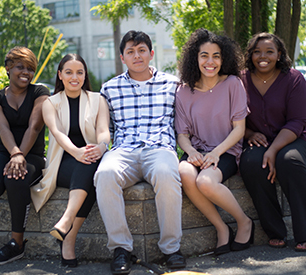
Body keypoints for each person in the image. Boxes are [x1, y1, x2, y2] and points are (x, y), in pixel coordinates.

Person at [94, 30, 186, 275]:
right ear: (122, 57)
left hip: (160, 149)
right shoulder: (110, 88)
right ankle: (121, 249)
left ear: (151, 53)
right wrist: (102, 147)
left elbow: (186, 123)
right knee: (105, 173)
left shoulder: (173, 84)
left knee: (167, 174)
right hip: (124, 150)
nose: (137, 56)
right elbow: (106, 129)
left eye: (142, 50)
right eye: (131, 51)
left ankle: (171, 249)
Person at [175, 28, 253, 256]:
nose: (210, 62)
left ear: (224, 58)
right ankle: (221, 227)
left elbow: (240, 129)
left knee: (206, 183)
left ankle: (244, 221)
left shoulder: (232, 84)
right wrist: (190, 152)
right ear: (195, 58)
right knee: (185, 173)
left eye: (216, 56)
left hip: (226, 149)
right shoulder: (183, 91)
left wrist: (216, 153)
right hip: (197, 149)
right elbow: (183, 135)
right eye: (204, 55)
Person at [30, 53, 110, 267]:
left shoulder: (98, 100)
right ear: (60, 75)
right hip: (62, 162)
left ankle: (67, 233)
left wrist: (102, 147)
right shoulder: (50, 103)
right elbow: (57, 133)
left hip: (91, 157)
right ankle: (68, 229)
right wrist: (76, 152)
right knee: (90, 168)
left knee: (92, 169)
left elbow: (103, 130)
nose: (75, 77)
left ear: (85, 75)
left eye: (79, 72)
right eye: (69, 72)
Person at [239, 32, 306, 252]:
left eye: (269, 51)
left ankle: (303, 234)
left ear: (279, 55)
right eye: (257, 52)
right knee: (252, 164)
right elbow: (233, 118)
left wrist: (274, 149)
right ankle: (275, 231)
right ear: (250, 55)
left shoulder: (294, 78)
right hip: (257, 139)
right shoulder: (241, 80)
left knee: (290, 161)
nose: (262, 56)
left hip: (292, 138)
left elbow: (298, 120)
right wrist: (248, 134)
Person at [0, 46, 50, 265]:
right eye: (20, 67)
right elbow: (3, 129)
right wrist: (14, 154)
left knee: (15, 178)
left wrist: (20, 155)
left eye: (30, 68)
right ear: (8, 69)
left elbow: (34, 126)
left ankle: (17, 244)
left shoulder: (40, 93)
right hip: (3, 152)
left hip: (32, 156)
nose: (26, 72)